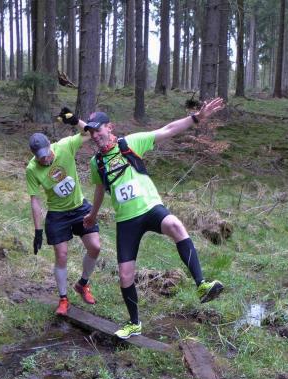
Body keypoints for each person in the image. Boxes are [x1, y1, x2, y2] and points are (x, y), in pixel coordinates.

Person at [82, 98, 226, 339]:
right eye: (91, 132)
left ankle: (202, 285)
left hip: (150, 208)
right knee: (125, 275)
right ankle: (134, 323)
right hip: (126, 220)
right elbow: (99, 189)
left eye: (98, 130)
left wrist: (195, 118)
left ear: (109, 127)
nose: (95, 135)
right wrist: (93, 214)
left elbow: (167, 130)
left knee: (175, 225)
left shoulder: (130, 143)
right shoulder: (96, 163)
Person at [26, 107, 101, 316]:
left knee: (95, 247)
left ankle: (82, 284)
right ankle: (63, 298)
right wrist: (38, 231)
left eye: (46, 155)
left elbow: (89, 133)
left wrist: (76, 121)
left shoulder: (65, 146)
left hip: (79, 207)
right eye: (40, 158)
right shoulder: (32, 169)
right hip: (57, 215)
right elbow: (35, 200)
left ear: (50, 146)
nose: (45, 160)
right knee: (61, 255)